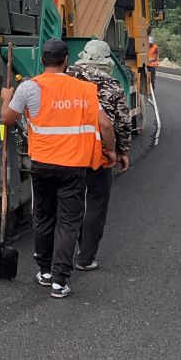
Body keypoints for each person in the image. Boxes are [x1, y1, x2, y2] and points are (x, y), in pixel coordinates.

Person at [0, 39, 115, 299]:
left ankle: (45, 271)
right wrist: (113, 151)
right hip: (73, 167)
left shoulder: (30, 87)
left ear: (43, 61)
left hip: (41, 165)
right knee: (68, 222)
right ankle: (60, 281)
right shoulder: (84, 89)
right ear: (66, 61)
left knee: (43, 217)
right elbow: (105, 125)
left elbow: (6, 119)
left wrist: (6, 98)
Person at [67, 39, 132, 271]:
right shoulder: (112, 86)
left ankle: (62, 255)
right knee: (96, 203)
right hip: (101, 152)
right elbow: (122, 123)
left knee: (69, 203)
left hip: (68, 151)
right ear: (106, 61)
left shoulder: (67, 79)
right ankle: (85, 257)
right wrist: (121, 151)